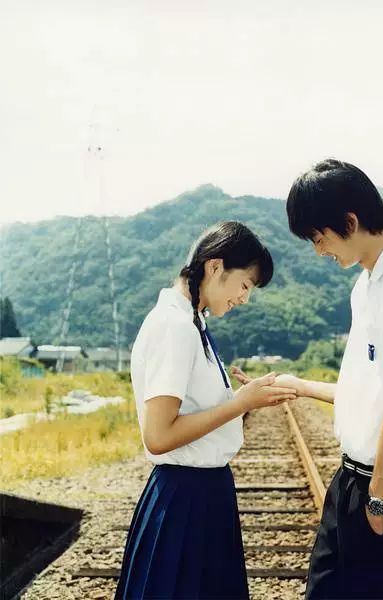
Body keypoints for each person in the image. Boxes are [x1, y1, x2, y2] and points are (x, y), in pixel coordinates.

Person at [245, 159, 383, 599]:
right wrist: (300, 386)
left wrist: (379, 502)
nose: (318, 251)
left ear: (350, 221)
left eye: (319, 238)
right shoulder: (366, 286)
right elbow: (371, 395)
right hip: (350, 483)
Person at [115, 221, 298, 600]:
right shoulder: (175, 327)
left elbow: (197, 415)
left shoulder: (193, 323)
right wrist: (238, 403)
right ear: (215, 267)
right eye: (245, 285)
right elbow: (159, 435)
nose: (244, 298)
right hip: (185, 500)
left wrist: (242, 402)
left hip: (200, 494)